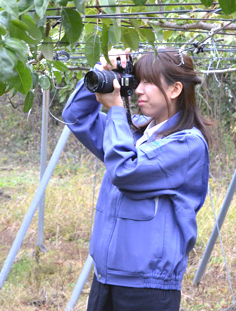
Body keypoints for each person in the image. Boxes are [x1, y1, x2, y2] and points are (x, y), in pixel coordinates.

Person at [62, 47, 212, 311]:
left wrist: (117, 111)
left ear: (175, 89)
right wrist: (102, 72)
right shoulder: (136, 134)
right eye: (137, 80)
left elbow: (125, 171)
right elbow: (76, 116)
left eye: (149, 82)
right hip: (106, 278)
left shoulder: (188, 145)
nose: (139, 89)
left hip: (148, 288)